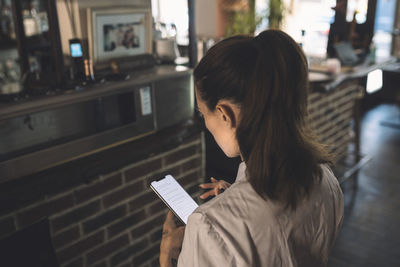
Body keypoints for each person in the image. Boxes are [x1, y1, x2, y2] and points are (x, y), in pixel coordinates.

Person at [159, 29, 344, 267]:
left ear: (225, 114)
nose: (205, 122)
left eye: (202, 113)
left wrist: (166, 257)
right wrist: (236, 196)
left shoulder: (208, 226)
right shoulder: (326, 180)